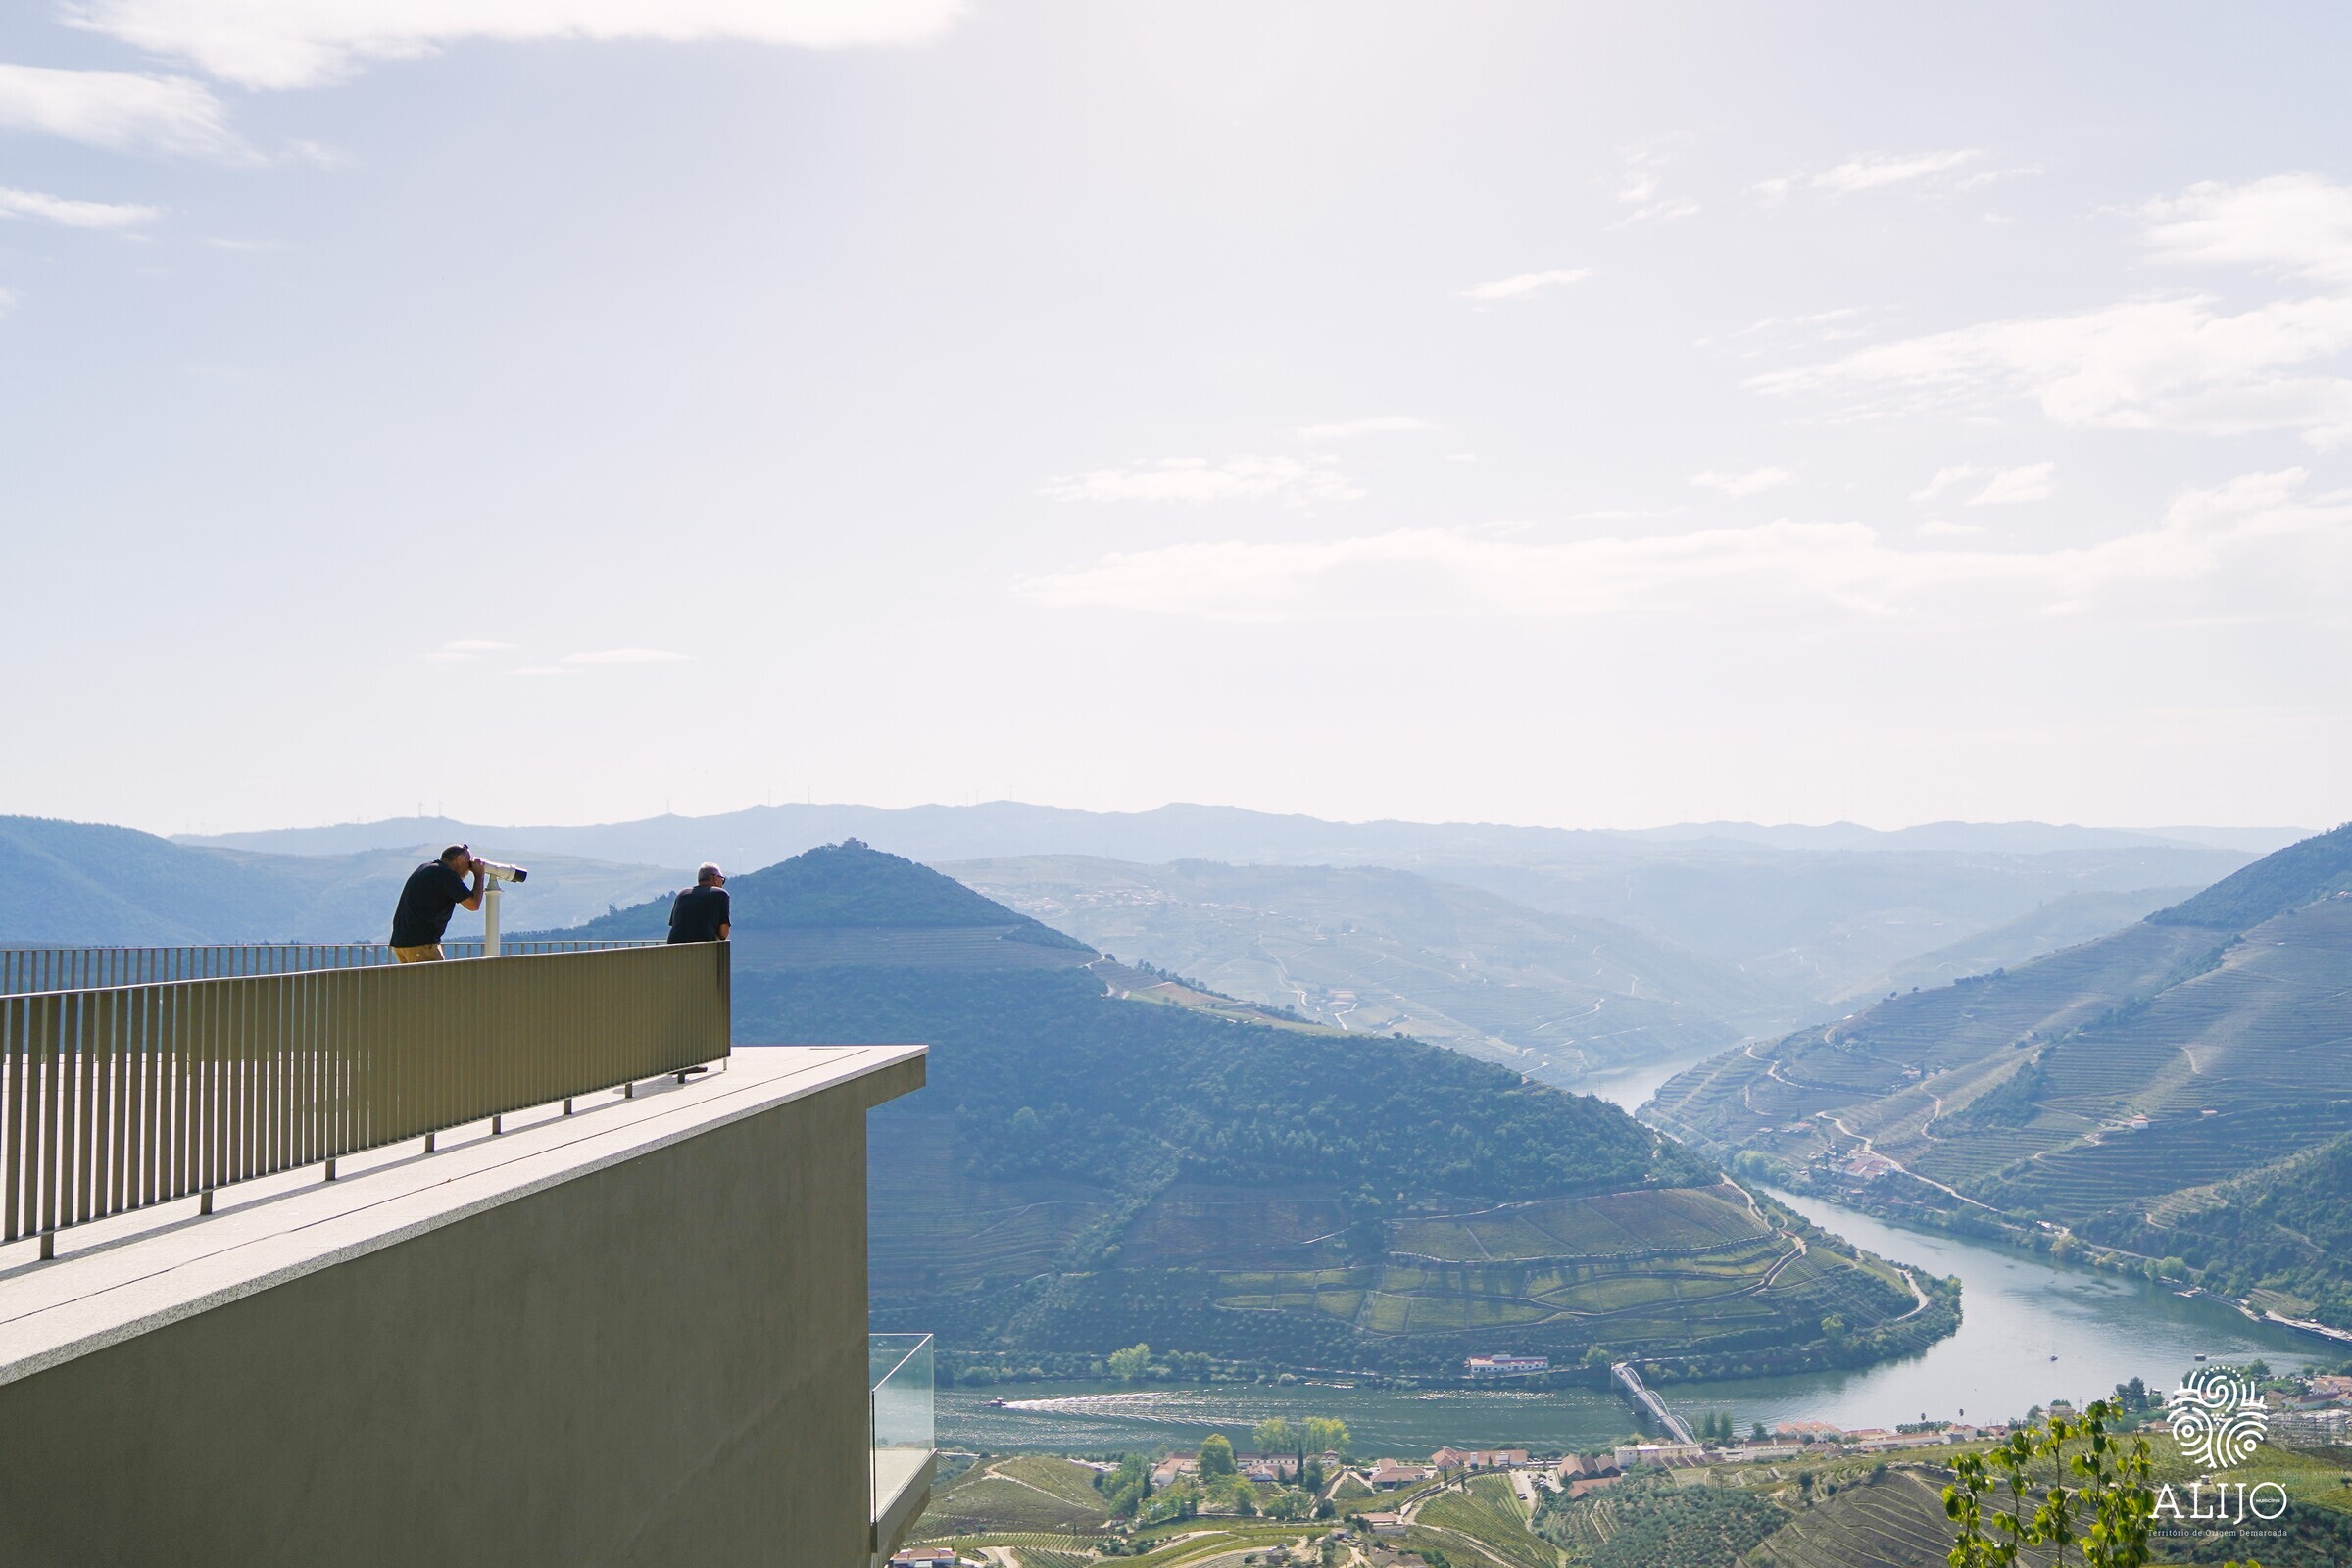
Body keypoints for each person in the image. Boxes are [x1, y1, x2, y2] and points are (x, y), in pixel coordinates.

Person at [390, 845, 485, 962]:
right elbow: (474, 904)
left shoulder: (427, 868)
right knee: (437, 980)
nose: (468, 869)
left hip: (401, 942)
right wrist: (479, 875)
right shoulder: (445, 874)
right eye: (468, 863)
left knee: (414, 981)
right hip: (422, 943)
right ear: (459, 859)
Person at [667, 862, 731, 944]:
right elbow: (723, 933)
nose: (722, 884)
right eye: (722, 880)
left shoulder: (682, 894)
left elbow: (677, 926)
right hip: (703, 950)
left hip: (673, 949)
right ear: (715, 878)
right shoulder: (721, 894)